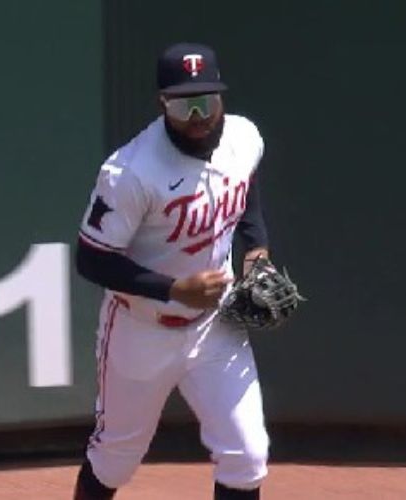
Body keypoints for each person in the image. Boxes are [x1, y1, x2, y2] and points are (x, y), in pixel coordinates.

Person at [72, 42, 273, 500]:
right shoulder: (130, 173)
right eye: (185, 104)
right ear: (163, 103)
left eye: (207, 100)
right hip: (140, 329)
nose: (199, 115)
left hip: (216, 325)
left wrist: (256, 252)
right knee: (115, 459)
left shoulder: (243, 137)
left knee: (247, 457)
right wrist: (173, 289)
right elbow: (91, 258)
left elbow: (246, 194)